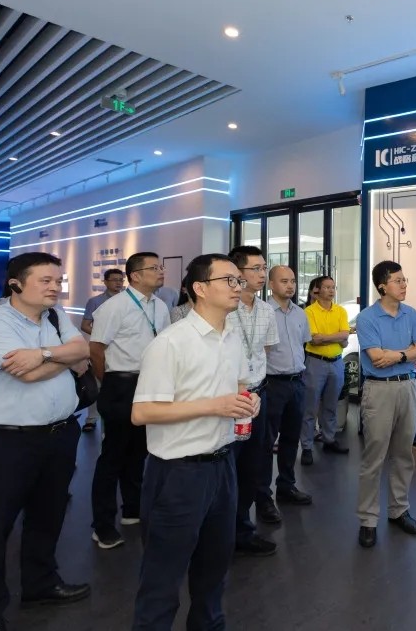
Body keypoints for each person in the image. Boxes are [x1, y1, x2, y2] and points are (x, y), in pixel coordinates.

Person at [0, 252, 92, 631]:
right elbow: (28, 375)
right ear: (16, 283)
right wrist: (63, 358)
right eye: (45, 280)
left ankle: (40, 584)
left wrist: (42, 354)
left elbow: (83, 350)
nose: (55, 287)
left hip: (60, 433)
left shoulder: (56, 314)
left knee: (48, 516)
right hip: (10, 442)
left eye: (58, 280)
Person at [130, 254, 259, 630]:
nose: (239, 287)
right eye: (229, 280)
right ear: (200, 289)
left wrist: (248, 399)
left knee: (214, 572)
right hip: (178, 474)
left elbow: (240, 385)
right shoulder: (171, 343)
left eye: (239, 280)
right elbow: (142, 412)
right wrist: (215, 406)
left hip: (223, 466)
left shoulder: (231, 336)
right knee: (162, 578)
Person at [88, 252, 170, 549]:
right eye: (154, 267)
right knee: (113, 456)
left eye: (161, 266)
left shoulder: (160, 305)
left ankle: (132, 510)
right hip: (120, 384)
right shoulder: (115, 306)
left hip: (150, 383)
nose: (161, 271)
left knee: (139, 451)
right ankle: (102, 525)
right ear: (135, 276)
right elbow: (96, 349)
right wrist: (109, 382)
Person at [355, 261, 416, 549]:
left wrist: (397, 356)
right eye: (398, 280)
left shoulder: (412, 314)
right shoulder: (367, 318)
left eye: (404, 279)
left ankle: (399, 510)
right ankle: (367, 519)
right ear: (382, 286)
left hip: (408, 386)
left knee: (404, 454)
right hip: (378, 390)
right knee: (374, 457)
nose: (404, 284)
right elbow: (376, 358)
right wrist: (407, 352)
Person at [228, 246, 280, 555]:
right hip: (228, 399)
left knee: (254, 465)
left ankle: (242, 531)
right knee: (226, 465)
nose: (262, 274)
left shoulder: (267, 311)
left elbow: (265, 351)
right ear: (237, 273)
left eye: (264, 268)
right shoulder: (224, 309)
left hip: (258, 396)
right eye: (256, 269)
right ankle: (218, 533)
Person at [263, 265, 314, 511]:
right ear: (271, 284)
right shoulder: (263, 313)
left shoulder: (300, 314)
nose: (290, 285)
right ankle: (263, 496)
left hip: (297, 382)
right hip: (272, 384)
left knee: (291, 438)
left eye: (293, 280)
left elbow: (302, 345)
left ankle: (286, 486)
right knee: (266, 441)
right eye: (284, 281)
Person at [301, 275, 350, 464]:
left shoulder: (340, 311)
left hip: (336, 362)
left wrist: (327, 337)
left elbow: (345, 337)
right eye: (327, 287)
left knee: (331, 405)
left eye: (333, 287)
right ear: (317, 290)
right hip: (315, 362)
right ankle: (306, 446)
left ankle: (329, 439)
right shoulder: (309, 311)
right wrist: (338, 337)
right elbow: (314, 340)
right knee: (310, 407)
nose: (331, 290)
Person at [79, 269, 126, 433]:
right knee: (97, 384)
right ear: (105, 282)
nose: (118, 283)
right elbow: (85, 325)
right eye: (114, 280)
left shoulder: (127, 301)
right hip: (100, 349)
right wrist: (102, 336)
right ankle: (91, 419)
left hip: (121, 350)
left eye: (121, 280)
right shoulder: (95, 301)